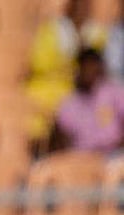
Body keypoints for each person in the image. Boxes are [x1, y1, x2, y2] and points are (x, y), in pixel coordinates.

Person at [26, 0, 107, 146]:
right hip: (50, 91)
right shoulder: (52, 30)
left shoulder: (96, 32)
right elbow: (39, 63)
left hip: (84, 95)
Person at [55, 48, 124, 155]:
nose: (88, 71)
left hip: (115, 154)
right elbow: (63, 139)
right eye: (85, 67)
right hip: (84, 158)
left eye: (92, 66)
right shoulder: (70, 102)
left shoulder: (114, 92)